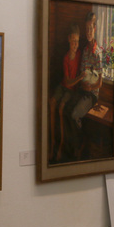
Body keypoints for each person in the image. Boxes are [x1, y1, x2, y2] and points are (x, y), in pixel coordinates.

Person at [49, 23, 84, 161]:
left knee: (61, 108)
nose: (75, 44)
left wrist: (81, 79)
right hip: (65, 86)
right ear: (69, 39)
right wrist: (79, 78)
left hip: (71, 91)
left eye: (77, 41)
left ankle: (61, 146)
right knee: (52, 102)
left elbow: (72, 86)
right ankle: (52, 143)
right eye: (73, 41)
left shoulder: (80, 54)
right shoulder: (66, 58)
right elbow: (67, 82)